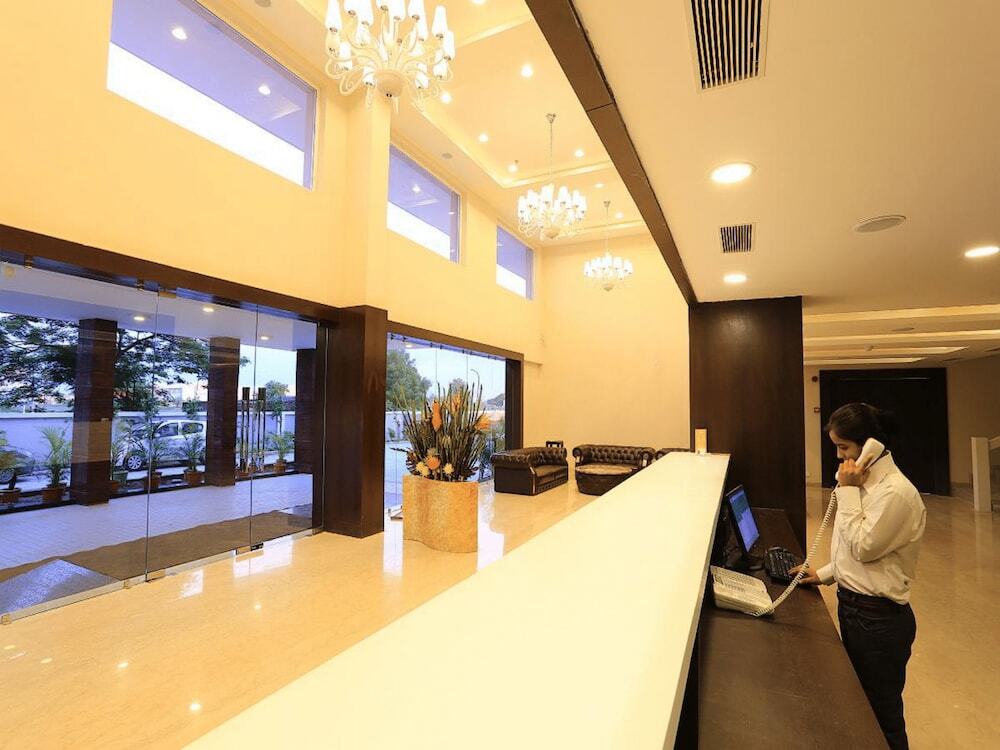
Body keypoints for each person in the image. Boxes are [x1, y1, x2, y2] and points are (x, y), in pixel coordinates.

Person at [790, 403, 926, 750]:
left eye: (843, 447)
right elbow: (854, 552)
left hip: (878, 619)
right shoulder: (866, 486)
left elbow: (864, 547)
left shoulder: (895, 493)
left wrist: (847, 490)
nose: (839, 457)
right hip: (855, 609)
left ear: (870, 447)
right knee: (859, 709)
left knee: (881, 717)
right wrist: (823, 574)